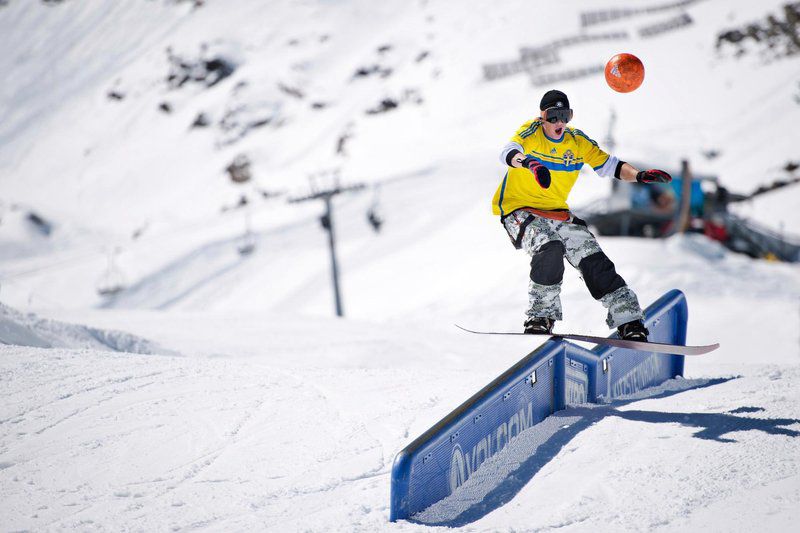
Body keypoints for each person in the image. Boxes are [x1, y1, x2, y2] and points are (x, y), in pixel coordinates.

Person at [492, 89, 672, 340]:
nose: (559, 123)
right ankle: (541, 316)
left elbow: (612, 165)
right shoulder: (531, 132)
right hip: (519, 210)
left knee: (592, 258)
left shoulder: (576, 142)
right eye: (553, 116)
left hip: (557, 213)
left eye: (565, 116)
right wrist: (530, 164)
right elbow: (508, 151)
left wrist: (639, 176)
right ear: (542, 116)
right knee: (549, 247)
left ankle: (628, 319)